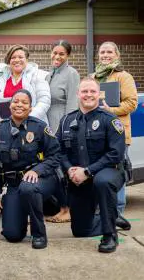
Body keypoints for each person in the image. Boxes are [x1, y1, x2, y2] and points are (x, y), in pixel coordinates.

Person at [56, 77, 127, 253]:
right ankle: (110, 217)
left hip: (108, 172)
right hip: (79, 178)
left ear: (99, 94)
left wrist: (87, 171)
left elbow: (115, 154)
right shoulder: (66, 121)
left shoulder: (110, 120)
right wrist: (69, 169)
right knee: (80, 231)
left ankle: (110, 235)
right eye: (85, 91)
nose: (88, 95)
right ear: (78, 94)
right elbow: (57, 150)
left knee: (102, 182)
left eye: (92, 91)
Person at [0, 89, 59, 249]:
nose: (19, 105)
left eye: (24, 102)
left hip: (40, 180)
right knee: (12, 235)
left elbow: (55, 155)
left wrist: (37, 170)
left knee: (29, 188)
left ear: (31, 108)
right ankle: (20, 214)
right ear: (9, 105)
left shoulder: (40, 127)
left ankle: (39, 234)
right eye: (16, 101)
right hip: (13, 185)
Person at [93, 41, 137, 227]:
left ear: (116, 55)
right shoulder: (93, 77)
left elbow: (132, 103)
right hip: (96, 133)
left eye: (109, 52)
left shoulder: (123, 77)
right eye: (102, 52)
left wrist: (111, 110)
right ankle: (100, 212)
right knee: (97, 170)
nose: (105, 55)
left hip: (117, 132)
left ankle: (117, 211)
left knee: (117, 171)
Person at [45, 40, 80, 224]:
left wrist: (65, 130)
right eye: (55, 53)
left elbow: (73, 105)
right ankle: (62, 207)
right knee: (53, 168)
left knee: (62, 167)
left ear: (68, 56)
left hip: (62, 123)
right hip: (48, 122)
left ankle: (68, 209)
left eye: (61, 54)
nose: (57, 57)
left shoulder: (71, 73)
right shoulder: (49, 74)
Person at [0, 45, 51, 124]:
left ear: (27, 59)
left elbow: (44, 100)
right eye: (13, 57)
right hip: (7, 126)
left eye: (20, 57)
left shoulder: (37, 76)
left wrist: (30, 118)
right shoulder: (0, 81)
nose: (17, 60)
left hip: (32, 124)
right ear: (9, 60)